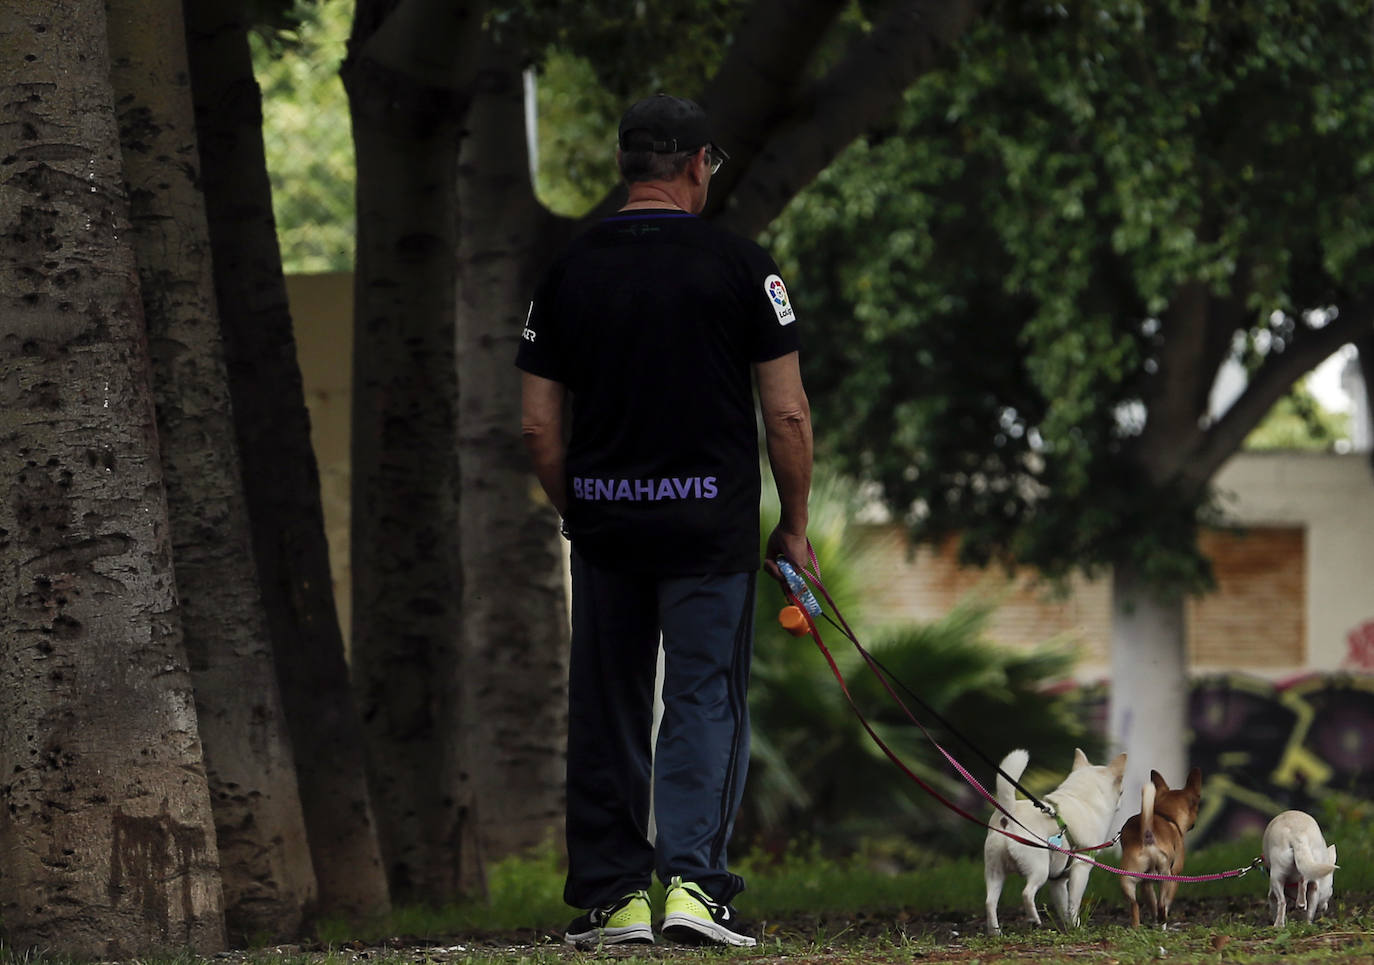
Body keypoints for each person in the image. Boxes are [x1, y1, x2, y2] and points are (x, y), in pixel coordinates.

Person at [516, 92, 813, 948]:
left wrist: (584, 511)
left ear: (624, 167)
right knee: (701, 697)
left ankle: (615, 898)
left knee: (607, 703)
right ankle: (693, 885)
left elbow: (538, 424)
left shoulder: (567, 272)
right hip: (710, 534)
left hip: (608, 527)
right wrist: (792, 524)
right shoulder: (742, 266)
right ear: (696, 165)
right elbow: (786, 415)